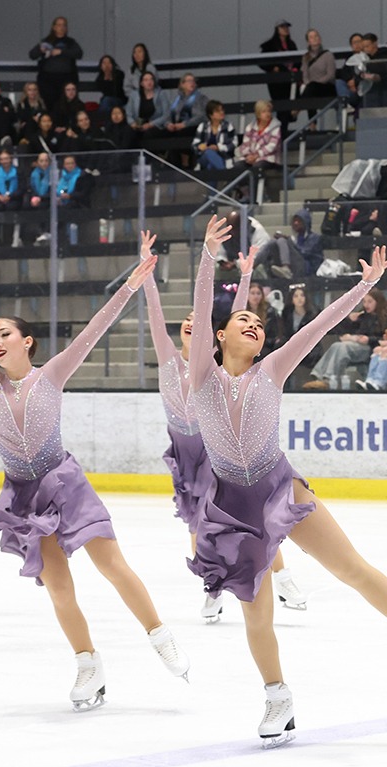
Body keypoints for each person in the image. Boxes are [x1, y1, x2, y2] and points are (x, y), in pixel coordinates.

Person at [183, 222, 387, 745]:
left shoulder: (273, 370)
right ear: (218, 337)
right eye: (241, 319)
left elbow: (322, 324)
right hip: (233, 508)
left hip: (281, 487)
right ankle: (278, 696)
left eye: (258, 323)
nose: (253, 325)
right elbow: (199, 313)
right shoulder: (202, 376)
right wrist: (206, 257)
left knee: (352, 567)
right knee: (257, 614)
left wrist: (365, 285)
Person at [0, 236, 188, 710]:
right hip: (24, 496)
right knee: (59, 588)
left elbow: (92, 333)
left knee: (112, 566)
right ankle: (88, 664)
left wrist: (127, 289)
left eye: (4, 334)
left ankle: (159, 633)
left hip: (65, 484)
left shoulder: (52, 374)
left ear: (27, 342)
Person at [136, 228, 306, 616]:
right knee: (197, 525)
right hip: (183, 451)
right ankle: (212, 587)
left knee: (246, 518)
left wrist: (244, 277)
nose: (193, 323)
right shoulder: (167, 356)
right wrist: (145, 276)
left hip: (216, 450)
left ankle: (281, 577)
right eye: (188, 319)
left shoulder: (209, 365)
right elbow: (154, 313)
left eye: (201, 321)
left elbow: (235, 322)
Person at [30, 17, 84, 109]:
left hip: (66, 78)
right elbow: (32, 55)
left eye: (64, 25)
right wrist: (40, 50)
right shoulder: (46, 41)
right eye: (59, 25)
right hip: (48, 80)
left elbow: (79, 53)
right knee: (49, 104)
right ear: (54, 27)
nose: (61, 27)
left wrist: (61, 52)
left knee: (66, 104)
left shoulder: (71, 42)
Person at [258, 23, 299, 130]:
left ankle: (282, 129)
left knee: (289, 106)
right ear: (277, 29)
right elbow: (261, 61)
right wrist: (272, 68)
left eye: (287, 27)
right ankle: (281, 131)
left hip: (290, 80)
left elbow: (298, 60)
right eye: (283, 27)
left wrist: (295, 69)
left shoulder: (291, 44)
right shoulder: (270, 45)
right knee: (281, 106)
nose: (285, 29)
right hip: (277, 82)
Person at [194, 100, 237, 171]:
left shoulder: (228, 126)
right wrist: (199, 147)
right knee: (208, 152)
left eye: (222, 110)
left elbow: (234, 143)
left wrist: (218, 148)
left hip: (223, 157)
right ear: (211, 115)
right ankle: (224, 174)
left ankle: (221, 174)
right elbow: (194, 144)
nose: (222, 112)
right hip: (204, 157)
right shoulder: (202, 126)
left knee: (211, 166)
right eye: (218, 111)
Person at [301, 30, 340, 103]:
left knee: (312, 88)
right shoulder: (306, 57)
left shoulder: (328, 55)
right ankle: (309, 112)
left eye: (316, 36)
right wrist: (309, 83)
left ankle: (297, 107)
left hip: (326, 86)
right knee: (310, 90)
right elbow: (305, 76)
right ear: (308, 42)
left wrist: (317, 83)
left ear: (320, 38)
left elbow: (330, 75)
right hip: (311, 87)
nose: (315, 38)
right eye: (311, 37)